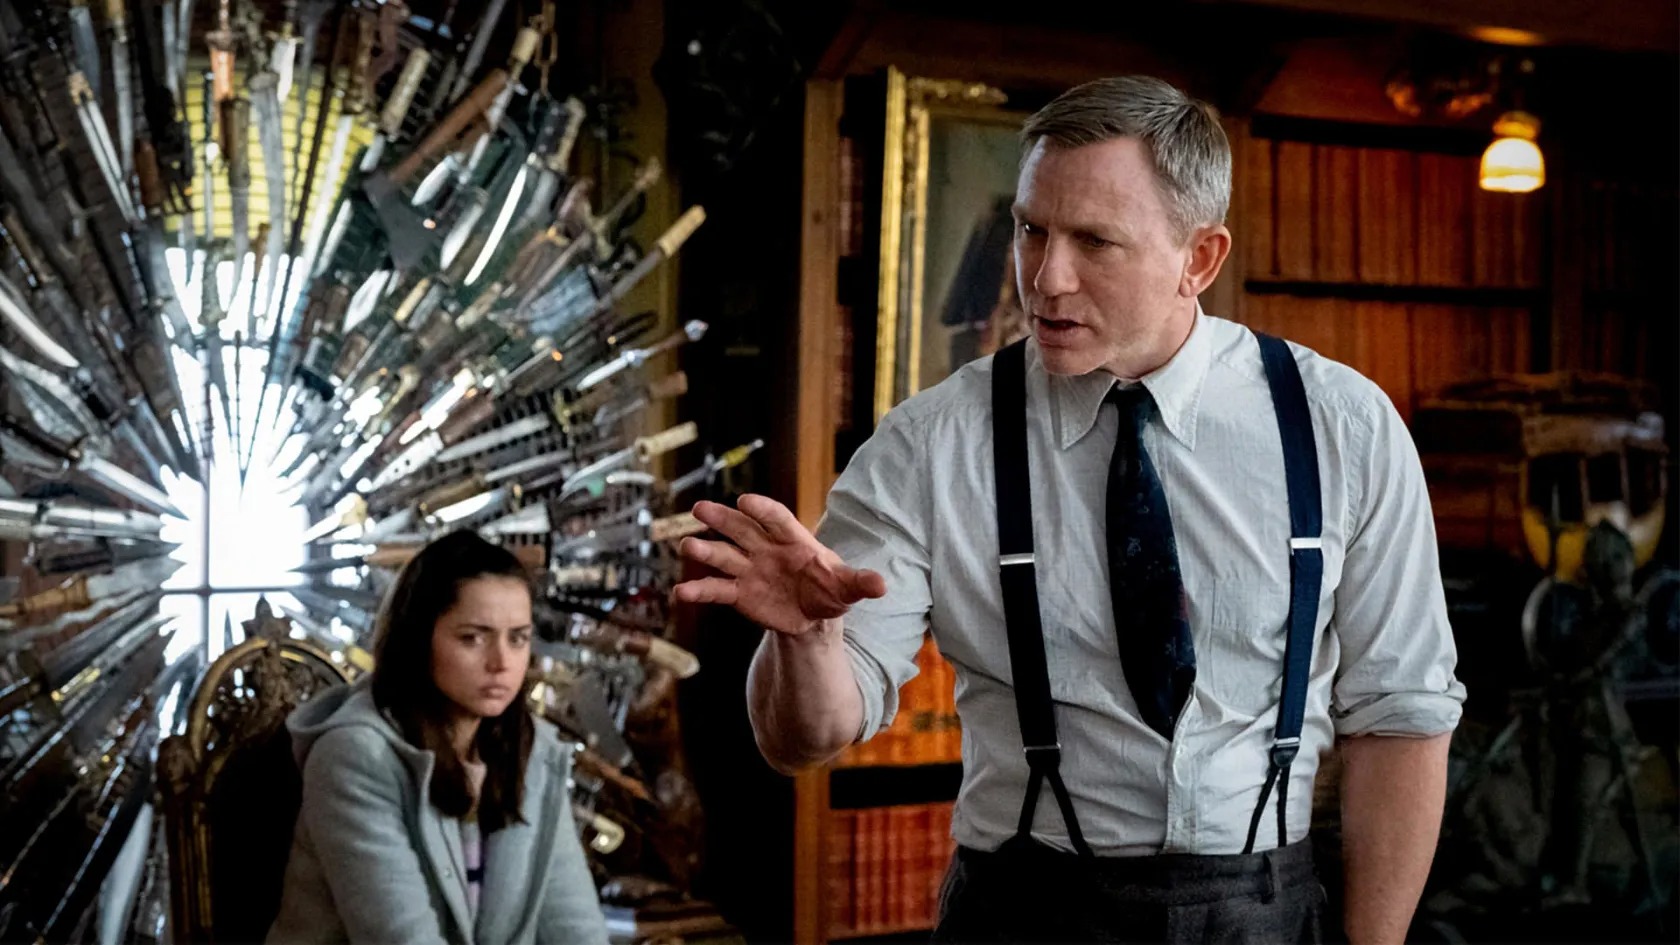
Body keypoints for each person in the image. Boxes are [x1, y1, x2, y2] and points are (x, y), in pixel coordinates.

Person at [674, 75, 1464, 945]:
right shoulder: (931, 444)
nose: (1046, 278)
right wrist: (809, 640)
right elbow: (803, 739)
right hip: (1023, 911)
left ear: (1199, 259)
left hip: (1264, 908)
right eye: (1030, 229)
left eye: (1095, 240)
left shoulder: (1341, 427)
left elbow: (1402, 717)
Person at [268, 530, 609, 945]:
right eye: (473, 638)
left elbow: (577, 930)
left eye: (517, 638)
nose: (501, 662)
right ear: (419, 640)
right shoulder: (353, 757)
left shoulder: (532, 751)